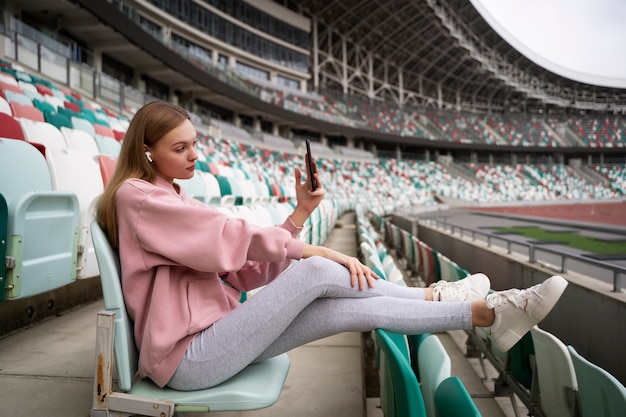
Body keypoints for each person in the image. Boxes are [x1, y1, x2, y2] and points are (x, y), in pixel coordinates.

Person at [95, 101, 568, 391]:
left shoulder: (170, 197)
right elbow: (228, 237)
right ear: (146, 151)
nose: (194, 154)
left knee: (349, 310)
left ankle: (483, 314)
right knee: (320, 272)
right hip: (187, 357)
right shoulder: (136, 198)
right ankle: (448, 298)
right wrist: (315, 251)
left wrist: (300, 215)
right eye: (181, 148)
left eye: (194, 143)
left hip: (218, 336)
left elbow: (241, 272)